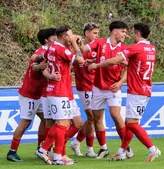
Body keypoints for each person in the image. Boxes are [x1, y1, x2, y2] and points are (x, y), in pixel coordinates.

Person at [89, 23, 161, 162]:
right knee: (129, 122)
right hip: (145, 88)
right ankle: (122, 151)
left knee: (132, 124)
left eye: (133, 33)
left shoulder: (136, 47)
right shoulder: (151, 48)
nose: (130, 35)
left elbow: (115, 60)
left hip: (137, 90)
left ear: (138, 34)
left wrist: (97, 65)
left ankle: (152, 149)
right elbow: (134, 64)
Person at [79, 20, 134, 159]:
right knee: (97, 119)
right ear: (114, 31)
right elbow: (84, 49)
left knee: (116, 116)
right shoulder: (100, 42)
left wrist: (121, 82)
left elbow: (128, 68)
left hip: (113, 88)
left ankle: (126, 147)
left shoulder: (124, 48)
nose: (125, 34)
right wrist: (77, 41)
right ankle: (103, 148)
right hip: (97, 88)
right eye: (123, 31)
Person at [35, 25, 84, 165]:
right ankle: (47, 151)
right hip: (58, 90)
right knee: (62, 124)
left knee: (63, 123)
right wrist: (74, 44)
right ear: (64, 37)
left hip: (59, 90)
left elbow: (40, 58)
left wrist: (48, 73)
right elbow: (79, 60)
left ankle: (53, 154)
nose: (72, 37)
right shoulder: (60, 49)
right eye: (70, 35)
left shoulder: (51, 48)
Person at [6, 28, 58, 162]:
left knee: (47, 120)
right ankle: (12, 151)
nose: (56, 39)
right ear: (47, 40)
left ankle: (40, 149)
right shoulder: (41, 52)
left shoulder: (51, 52)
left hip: (40, 94)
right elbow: (35, 66)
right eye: (54, 37)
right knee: (25, 123)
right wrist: (39, 67)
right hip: (29, 94)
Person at [70, 22, 100, 158]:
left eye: (98, 33)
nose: (97, 35)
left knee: (93, 118)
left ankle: (76, 142)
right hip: (84, 86)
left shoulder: (98, 46)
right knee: (92, 117)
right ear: (86, 33)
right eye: (94, 33)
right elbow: (76, 60)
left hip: (97, 86)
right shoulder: (75, 47)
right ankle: (90, 149)